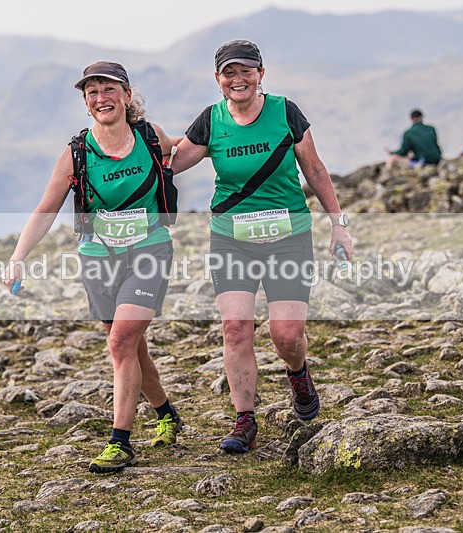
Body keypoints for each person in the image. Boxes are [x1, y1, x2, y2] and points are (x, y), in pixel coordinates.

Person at [171, 40, 353, 453]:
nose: (238, 79)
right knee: (236, 328)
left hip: (288, 237)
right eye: (229, 73)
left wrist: (338, 225)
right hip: (231, 239)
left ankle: (298, 373)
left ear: (261, 74)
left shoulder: (285, 112)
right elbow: (171, 163)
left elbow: (314, 169)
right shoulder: (210, 121)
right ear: (217, 79)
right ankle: (245, 421)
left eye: (246, 71)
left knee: (286, 334)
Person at [3, 61, 182, 473]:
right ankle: (167, 414)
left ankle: (120, 442)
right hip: (98, 259)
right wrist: (17, 258)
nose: (101, 98)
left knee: (120, 341)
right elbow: (47, 208)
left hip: (149, 252)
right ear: (86, 103)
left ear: (126, 95)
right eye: (92, 93)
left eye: (109, 89)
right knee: (131, 347)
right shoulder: (76, 154)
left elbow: (186, 149)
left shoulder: (150, 137)